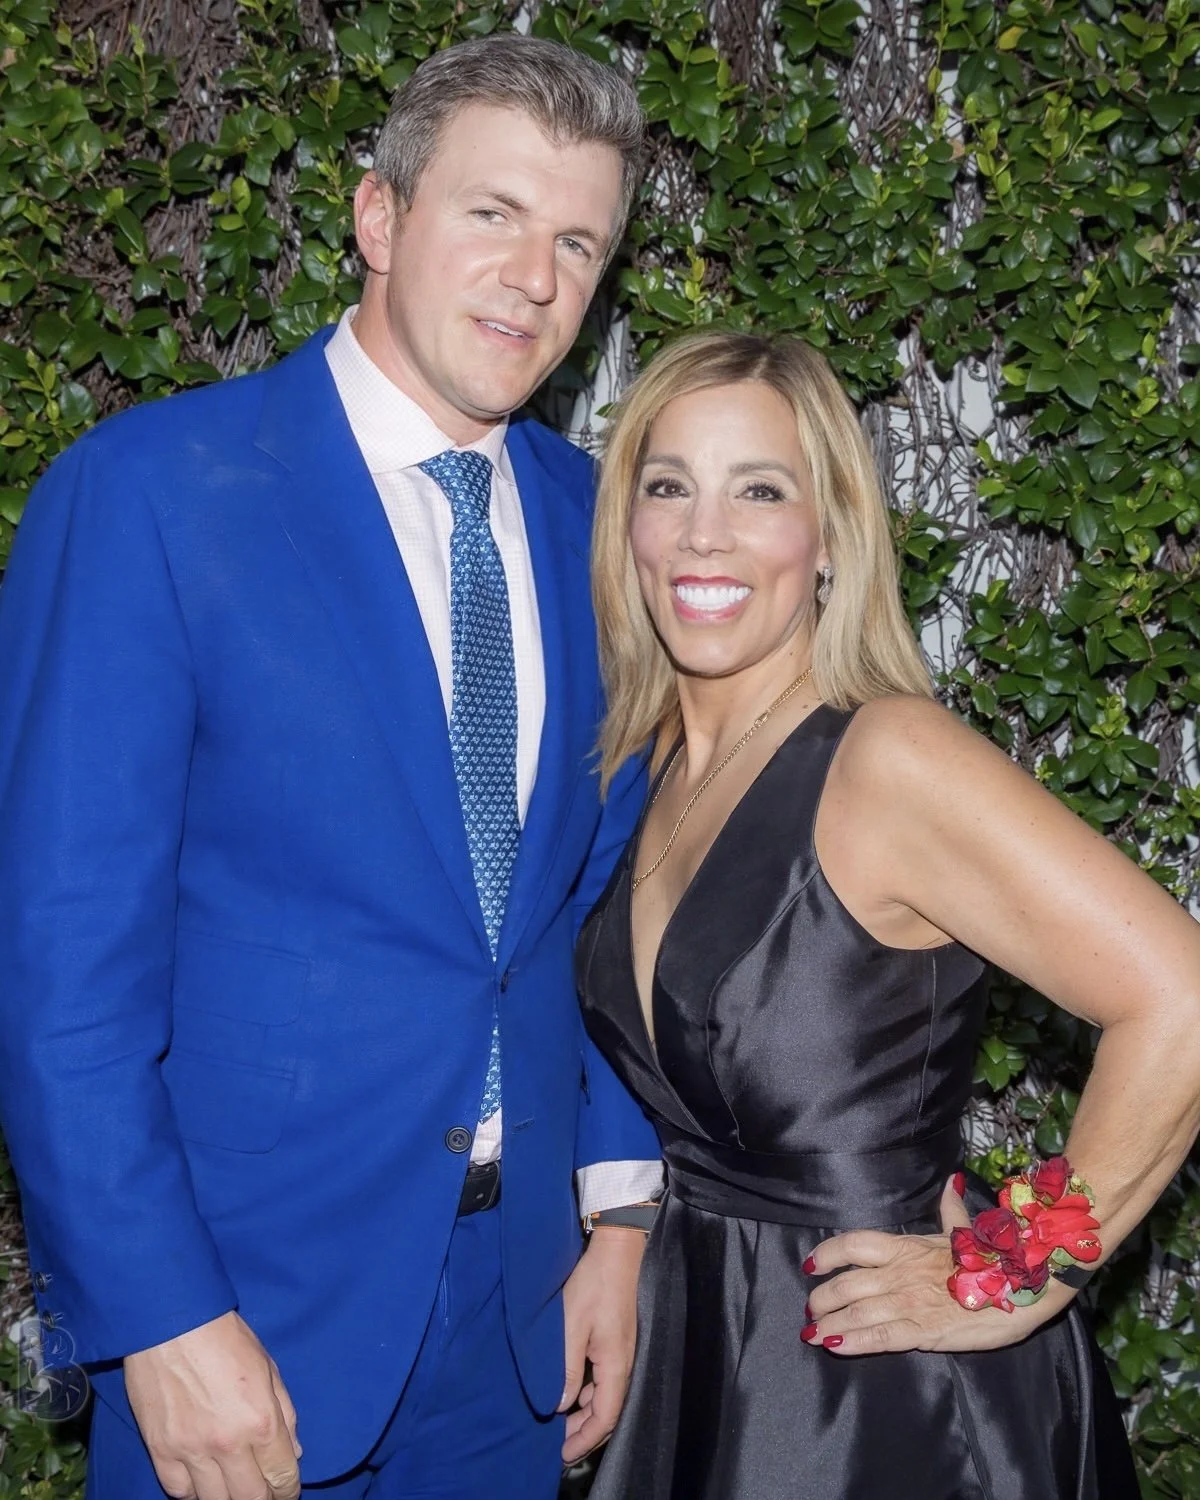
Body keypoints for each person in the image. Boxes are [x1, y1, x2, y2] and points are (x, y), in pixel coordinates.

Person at [0, 35, 666, 1500]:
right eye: (492, 214)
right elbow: (60, 968)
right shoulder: (149, 497)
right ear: (380, 219)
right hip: (244, 1304)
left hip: (517, 1325)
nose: (535, 277)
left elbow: (603, 908)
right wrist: (160, 1315)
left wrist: (616, 1217)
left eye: (578, 242)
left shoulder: (601, 524)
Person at [576, 329, 1200, 1499]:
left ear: (828, 539)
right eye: (669, 487)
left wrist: (1014, 1275)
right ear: (628, 528)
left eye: (759, 490)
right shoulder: (652, 764)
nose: (704, 532)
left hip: (885, 1398)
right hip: (708, 1351)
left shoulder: (888, 756)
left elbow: (1183, 999)